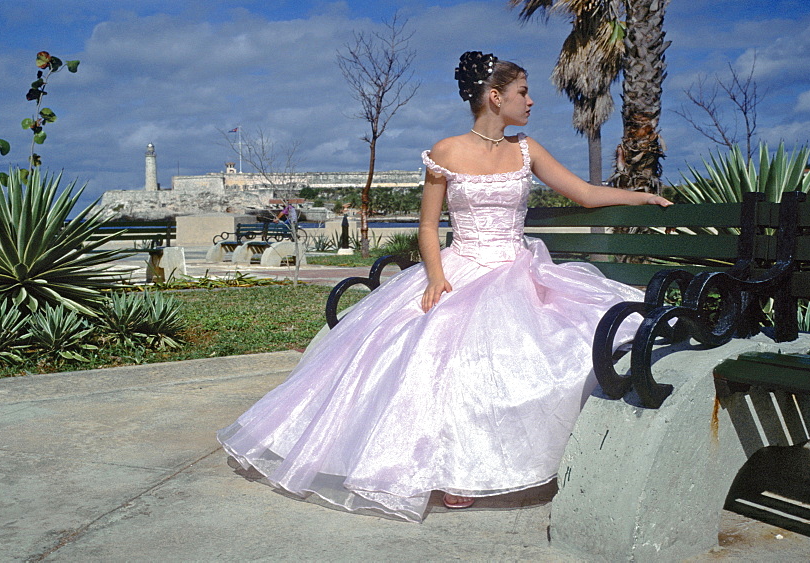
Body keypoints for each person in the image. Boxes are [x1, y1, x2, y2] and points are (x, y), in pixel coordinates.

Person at [217, 51, 672, 522]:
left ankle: (519, 461)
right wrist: (437, 277)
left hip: (517, 268)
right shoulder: (446, 151)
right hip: (461, 267)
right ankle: (449, 470)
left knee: (550, 349)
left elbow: (584, 193)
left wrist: (642, 195)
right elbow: (429, 227)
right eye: (522, 92)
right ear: (495, 97)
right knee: (438, 349)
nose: (531, 101)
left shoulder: (527, 149)